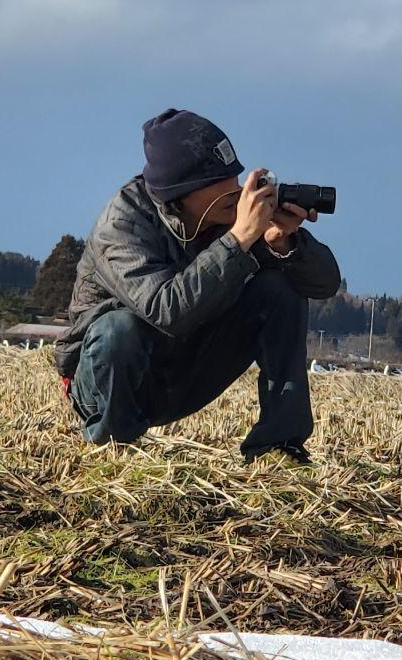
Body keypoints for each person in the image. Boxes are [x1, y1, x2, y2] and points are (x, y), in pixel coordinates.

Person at [55, 108, 341, 463]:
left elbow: (325, 284)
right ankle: (112, 451)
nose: (235, 195)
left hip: (185, 370)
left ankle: (279, 448)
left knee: (279, 289)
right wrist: (239, 240)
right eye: (219, 185)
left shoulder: (229, 217)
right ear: (181, 192)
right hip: (111, 384)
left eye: (234, 179)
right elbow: (166, 310)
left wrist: (286, 244)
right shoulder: (121, 225)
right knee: (118, 327)